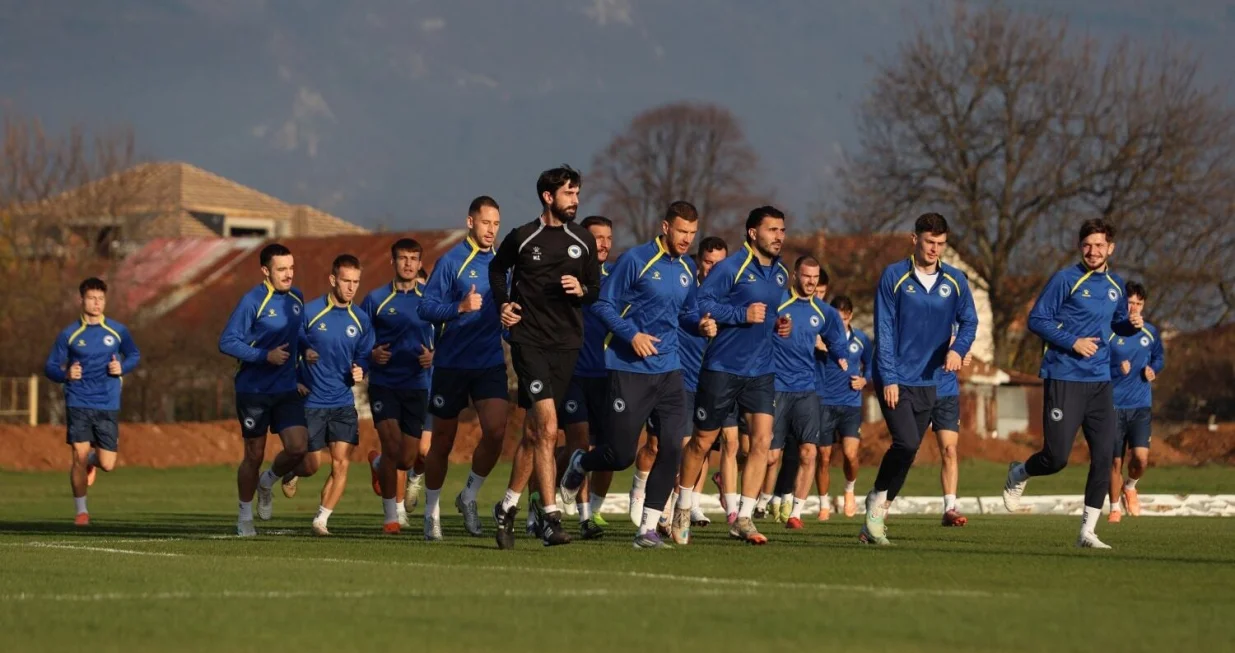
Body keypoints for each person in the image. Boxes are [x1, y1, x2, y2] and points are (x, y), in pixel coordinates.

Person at [560, 201, 714, 549]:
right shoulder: (635, 260)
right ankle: (582, 462)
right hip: (628, 369)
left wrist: (700, 325)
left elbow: (688, 313)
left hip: (669, 370)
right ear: (665, 227)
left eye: (692, 233)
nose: (687, 239)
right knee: (620, 455)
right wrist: (632, 335)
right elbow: (602, 305)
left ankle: (646, 529)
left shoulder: (687, 268)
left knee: (672, 447)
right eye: (682, 231)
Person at [1003, 218, 1140, 549]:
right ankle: (1020, 473)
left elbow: (1117, 324)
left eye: (1099, 245)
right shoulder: (1065, 279)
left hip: (1100, 380)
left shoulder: (1116, 285)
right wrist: (1073, 342)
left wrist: (1131, 325)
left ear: (1111, 248)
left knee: (1105, 457)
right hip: (1064, 376)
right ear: (1080, 247)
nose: (1093, 251)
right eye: (1087, 245)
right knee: (1057, 458)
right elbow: (1037, 319)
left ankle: (1087, 532)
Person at [490, 165, 601, 549]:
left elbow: (595, 290)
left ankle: (507, 506)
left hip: (567, 344)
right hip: (528, 342)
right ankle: (550, 517)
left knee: (534, 433)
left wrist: (581, 290)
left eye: (577, 193)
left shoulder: (583, 240)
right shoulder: (523, 237)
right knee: (550, 427)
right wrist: (503, 304)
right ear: (548, 197)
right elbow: (497, 268)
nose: (575, 200)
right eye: (569, 193)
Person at [673, 206, 792, 546]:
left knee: (762, 441)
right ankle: (683, 507)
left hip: (762, 369)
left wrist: (780, 324)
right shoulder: (730, 267)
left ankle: (744, 518)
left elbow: (768, 313)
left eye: (782, 230)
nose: (779, 236)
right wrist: (741, 314)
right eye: (772, 230)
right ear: (753, 233)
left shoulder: (781, 273)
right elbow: (701, 304)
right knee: (702, 442)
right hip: (723, 367)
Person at [862, 213, 978, 546]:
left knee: (909, 451)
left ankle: (875, 515)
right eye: (929, 242)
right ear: (915, 239)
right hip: (895, 377)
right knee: (907, 443)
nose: (935, 249)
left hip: (931, 380)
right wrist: (889, 376)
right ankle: (877, 502)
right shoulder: (894, 276)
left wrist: (958, 349)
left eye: (941, 243)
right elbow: (884, 329)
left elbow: (969, 322)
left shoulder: (955, 280)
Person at [417, 197, 508, 541]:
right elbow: (425, 308)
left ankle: (469, 495)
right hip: (451, 364)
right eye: (486, 222)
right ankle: (431, 512)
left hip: (489, 362)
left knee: (496, 432)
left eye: (496, 224)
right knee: (441, 442)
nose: (491, 229)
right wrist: (460, 306)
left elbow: (508, 307)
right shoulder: (451, 261)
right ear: (470, 222)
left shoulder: (503, 264)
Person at [630, 236, 734, 530]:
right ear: (698, 261)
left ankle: (681, 506)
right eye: (708, 262)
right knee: (660, 446)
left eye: (719, 264)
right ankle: (639, 491)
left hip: (713, 379)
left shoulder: (731, 293)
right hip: (677, 375)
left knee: (703, 445)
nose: (713, 268)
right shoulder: (683, 284)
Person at [219, 243, 310, 537]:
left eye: (291, 268)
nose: (288, 274)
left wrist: (307, 350)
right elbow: (227, 342)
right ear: (265, 271)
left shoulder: (296, 298)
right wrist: (264, 356)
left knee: (298, 447)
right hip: (254, 390)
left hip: (286, 388)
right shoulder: (252, 301)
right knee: (253, 455)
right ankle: (245, 517)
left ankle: (267, 481)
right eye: (281, 269)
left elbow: (297, 333)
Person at [281, 255, 374, 536]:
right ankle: (292, 471)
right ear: (333, 280)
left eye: (356, 282)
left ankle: (321, 519)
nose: (351, 287)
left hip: (342, 401)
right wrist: (296, 377)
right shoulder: (309, 313)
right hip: (311, 401)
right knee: (312, 464)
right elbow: (290, 347)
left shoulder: (361, 319)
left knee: (341, 462)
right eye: (346, 281)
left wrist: (361, 368)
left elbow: (365, 354)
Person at [44, 277, 141, 526]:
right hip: (78, 400)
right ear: (81, 300)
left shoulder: (117, 331)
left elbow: (134, 354)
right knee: (78, 454)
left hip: (107, 402)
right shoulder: (69, 334)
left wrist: (122, 367)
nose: (97, 303)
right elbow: (50, 366)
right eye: (91, 298)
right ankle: (81, 512)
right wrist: (65, 374)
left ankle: (91, 461)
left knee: (108, 463)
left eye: (100, 299)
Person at [761, 257, 847, 532]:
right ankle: (758, 500)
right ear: (795, 276)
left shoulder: (823, 311)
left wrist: (840, 355)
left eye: (815, 277)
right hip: (776, 386)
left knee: (809, 453)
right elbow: (757, 327)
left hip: (806, 389)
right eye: (806, 276)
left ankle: (795, 513)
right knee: (770, 456)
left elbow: (837, 338)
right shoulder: (778, 301)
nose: (811, 282)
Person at [358, 238, 434, 533]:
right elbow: (357, 337)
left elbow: (450, 334)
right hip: (384, 384)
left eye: (413, 258)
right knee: (391, 446)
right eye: (403, 258)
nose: (408, 263)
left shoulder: (431, 298)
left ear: (419, 263)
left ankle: (378, 465)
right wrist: (371, 354)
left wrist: (435, 355)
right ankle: (391, 516)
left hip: (417, 386)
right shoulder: (375, 299)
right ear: (393, 262)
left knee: (407, 458)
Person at [555, 215, 615, 539]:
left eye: (608, 238)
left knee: (609, 448)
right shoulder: (566, 276)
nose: (603, 244)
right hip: (572, 373)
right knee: (579, 442)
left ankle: (553, 470)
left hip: (608, 375)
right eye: (597, 238)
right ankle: (584, 518)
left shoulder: (617, 278)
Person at [1107, 281, 1164, 522]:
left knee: (1141, 458)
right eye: (1130, 303)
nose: (1134, 308)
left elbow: (1159, 357)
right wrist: (1116, 369)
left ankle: (1130, 487)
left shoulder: (1150, 332)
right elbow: (1095, 365)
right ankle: (1114, 509)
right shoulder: (1110, 331)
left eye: (1139, 303)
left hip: (1140, 406)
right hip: (1112, 406)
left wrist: (1153, 369)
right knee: (1115, 461)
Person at [814, 295, 871, 520]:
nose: (840, 323)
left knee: (850, 454)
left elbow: (871, 364)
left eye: (844, 319)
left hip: (851, 403)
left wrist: (864, 380)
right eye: (836, 319)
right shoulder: (820, 337)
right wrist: (815, 348)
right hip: (824, 403)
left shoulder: (861, 339)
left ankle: (849, 490)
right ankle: (824, 505)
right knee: (823, 456)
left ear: (850, 316)